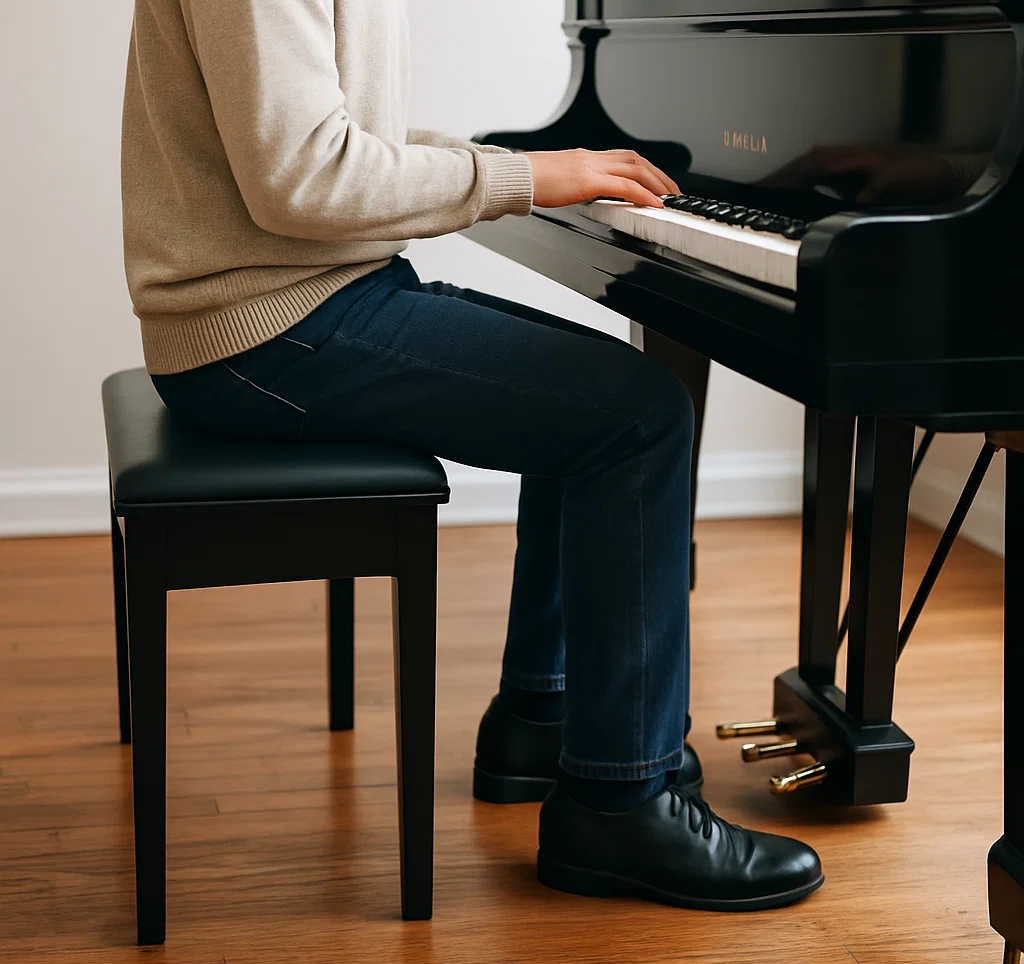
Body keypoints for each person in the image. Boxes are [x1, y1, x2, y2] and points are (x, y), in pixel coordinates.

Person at [122, 0, 823, 911]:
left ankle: (544, 717)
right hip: (262, 327)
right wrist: (527, 174)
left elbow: (337, 134)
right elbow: (300, 180)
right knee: (637, 416)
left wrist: (496, 162)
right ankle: (620, 804)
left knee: (585, 400)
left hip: (312, 293)